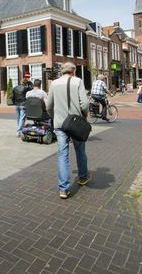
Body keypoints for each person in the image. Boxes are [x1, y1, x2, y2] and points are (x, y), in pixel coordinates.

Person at [46, 62, 90, 199]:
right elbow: (85, 103)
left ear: (62, 71)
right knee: (80, 150)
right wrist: (84, 116)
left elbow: (49, 105)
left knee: (62, 154)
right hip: (75, 123)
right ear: (73, 71)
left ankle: (63, 189)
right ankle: (82, 177)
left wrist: (54, 117)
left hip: (60, 124)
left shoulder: (54, 83)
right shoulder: (78, 81)